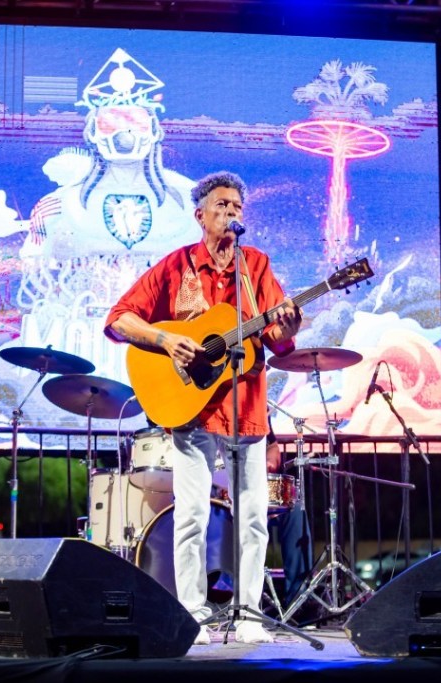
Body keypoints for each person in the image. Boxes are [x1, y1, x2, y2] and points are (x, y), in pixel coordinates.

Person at [105, 171, 302, 645]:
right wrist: (166, 339)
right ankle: (193, 613)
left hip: (246, 408)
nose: (231, 212)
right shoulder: (175, 267)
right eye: (221, 205)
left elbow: (278, 343)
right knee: (191, 514)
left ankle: (251, 612)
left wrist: (289, 324)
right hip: (190, 411)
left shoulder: (256, 266)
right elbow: (118, 319)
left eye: (237, 205)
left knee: (253, 517)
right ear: (200, 215)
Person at [265, 430, 314, 620]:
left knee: (294, 511)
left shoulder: (257, 412)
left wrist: (270, 461)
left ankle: (297, 602)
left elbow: (272, 447)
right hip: (222, 492)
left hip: (255, 492)